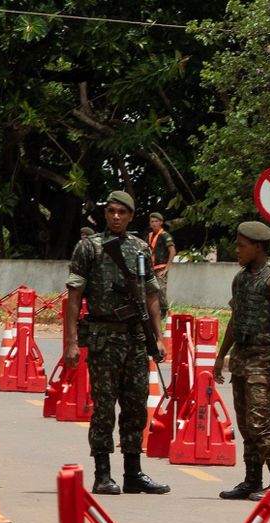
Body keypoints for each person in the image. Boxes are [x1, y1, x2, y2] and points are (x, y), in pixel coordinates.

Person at [63, 190, 171, 496]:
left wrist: (158, 337)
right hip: (103, 337)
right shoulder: (89, 247)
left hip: (135, 337)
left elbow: (151, 295)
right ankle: (102, 474)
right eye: (111, 211)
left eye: (122, 212)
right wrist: (71, 342)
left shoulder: (141, 248)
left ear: (131, 216)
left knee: (136, 406)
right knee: (104, 407)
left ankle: (133, 473)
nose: (116, 217)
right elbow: (74, 297)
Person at [212, 221, 270, 501]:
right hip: (241, 359)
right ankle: (251, 480)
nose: (237, 250)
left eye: (242, 246)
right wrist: (221, 356)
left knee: (260, 422)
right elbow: (235, 320)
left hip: (263, 361)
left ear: (258, 247)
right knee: (246, 425)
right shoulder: (241, 278)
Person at [147, 211, 176, 309]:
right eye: (152, 221)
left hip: (161, 268)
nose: (154, 224)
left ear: (161, 222)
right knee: (151, 292)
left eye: (156, 221)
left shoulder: (165, 235)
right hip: (151, 269)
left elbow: (172, 251)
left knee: (161, 291)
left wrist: (166, 269)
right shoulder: (149, 236)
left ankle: (165, 311)